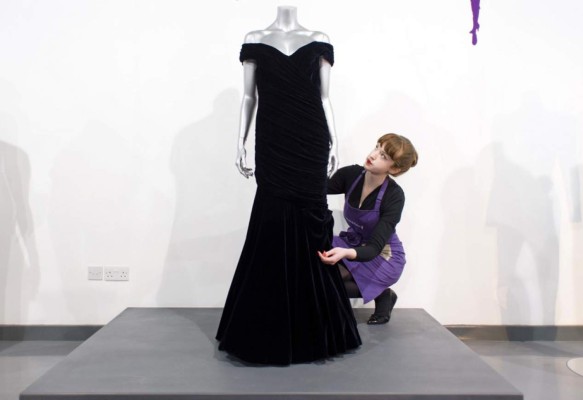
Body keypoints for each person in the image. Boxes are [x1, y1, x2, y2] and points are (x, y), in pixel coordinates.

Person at [216, 6, 361, 365]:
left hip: (311, 142)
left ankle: (316, 326)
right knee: (271, 220)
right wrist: (240, 142)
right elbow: (249, 97)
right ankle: (267, 322)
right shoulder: (254, 40)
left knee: (311, 226)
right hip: (273, 142)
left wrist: (335, 142)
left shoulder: (319, 40)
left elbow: (324, 98)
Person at [318, 133, 418, 324]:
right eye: (377, 147)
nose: (373, 155)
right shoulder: (351, 175)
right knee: (315, 267)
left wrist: (345, 253)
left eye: (383, 156)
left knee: (327, 284)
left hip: (382, 255)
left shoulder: (394, 196)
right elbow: (317, 188)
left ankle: (382, 294)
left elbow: (373, 248)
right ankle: (380, 294)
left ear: (394, 169)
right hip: (353, 243)